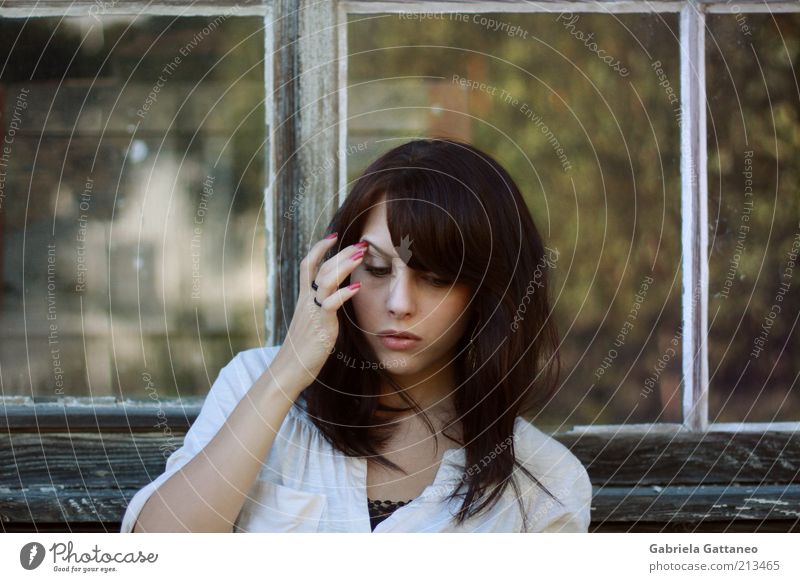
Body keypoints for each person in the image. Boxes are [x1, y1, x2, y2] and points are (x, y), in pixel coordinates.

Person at [121, 137, 592, 533]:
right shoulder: (257, 383)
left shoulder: (548, 486)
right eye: (376, 268)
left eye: (435, 278)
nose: (399, 303)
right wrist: (289, 370)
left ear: (491, 294)